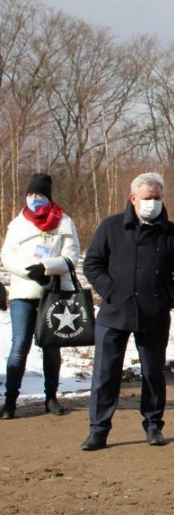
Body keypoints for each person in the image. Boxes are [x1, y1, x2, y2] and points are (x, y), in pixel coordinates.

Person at [81, 173, 174, 451]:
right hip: (113, 313)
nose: (152, 204)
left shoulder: (173, 233)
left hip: (153, 314)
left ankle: (154, 425)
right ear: (133, 198)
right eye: (147, 199)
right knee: (105, 374)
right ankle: (98, 430)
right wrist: (110, 290)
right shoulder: (110, 227)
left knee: (153, 373)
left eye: (157, 198)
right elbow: (92, 264)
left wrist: (170, 297)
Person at [1, 174, 81, 419]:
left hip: (53, 292)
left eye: (40, 195)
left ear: (49, 197)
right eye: (31, 195)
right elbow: (7, 255)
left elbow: (71, 254)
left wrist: (47, 267)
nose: (35, 199)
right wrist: (30, 271)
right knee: (19, 345)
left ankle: (51, 397)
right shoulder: (18, 224)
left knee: (51, 346)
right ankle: (11, 400)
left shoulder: (64, 222)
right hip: (23, 292)